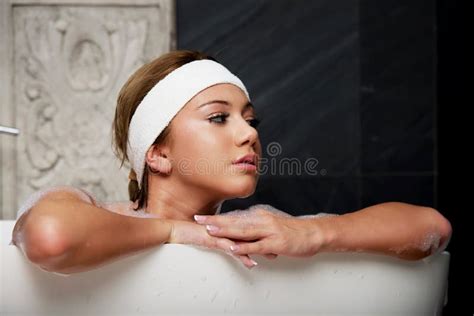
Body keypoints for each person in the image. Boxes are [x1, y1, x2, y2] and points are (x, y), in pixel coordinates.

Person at [11, 50, 452, 274]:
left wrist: (313, 232)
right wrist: (172, 231)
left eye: (250, 118)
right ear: (158, 153)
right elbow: (51, 238)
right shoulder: (86, 211)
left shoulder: (255, 233)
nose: (250, 133)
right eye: (219, 118)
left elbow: (430, 228)